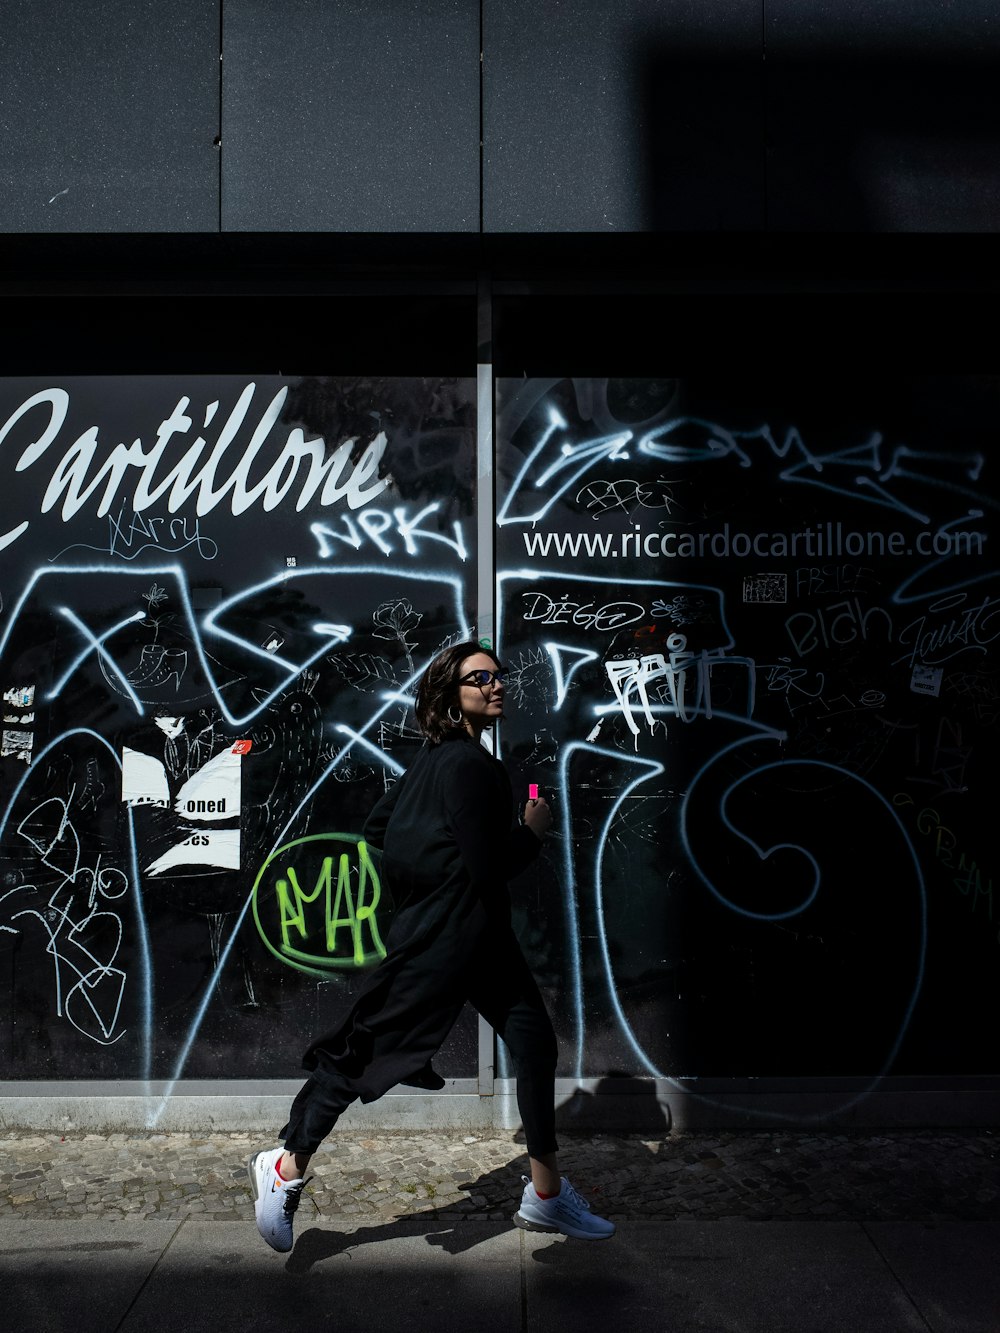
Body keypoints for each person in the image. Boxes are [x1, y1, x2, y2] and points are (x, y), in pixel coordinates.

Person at [248, 640, 615, 1251]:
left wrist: (421, 878)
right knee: (362, 1053)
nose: (496, 685)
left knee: (535, 1045)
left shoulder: (435, 760)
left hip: (477, 938)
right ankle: (284, 1166)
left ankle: (546, 1197)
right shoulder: (468, 766)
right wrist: (531, 832)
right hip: (444, 940)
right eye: (480, 678)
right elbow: (487, 863)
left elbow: (379, 829)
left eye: (499, 676)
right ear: (451, 693)